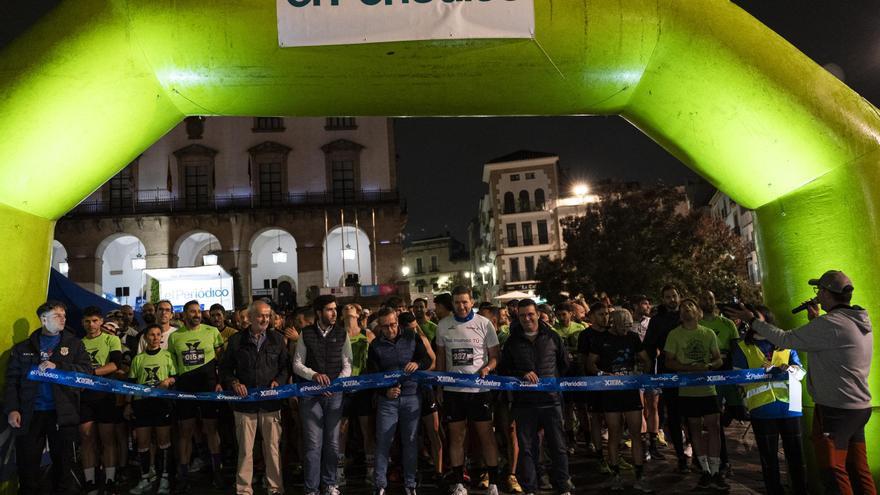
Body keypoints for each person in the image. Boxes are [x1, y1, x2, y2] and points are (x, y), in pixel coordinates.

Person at [726, 270, 875, 495]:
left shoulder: (830, 324)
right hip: (858, 406)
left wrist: (751, 320)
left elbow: (785, 339)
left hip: (835, 409)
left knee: (834, 471)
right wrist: (815, 321)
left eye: (819, 290)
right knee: (858, 468)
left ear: (826, 293)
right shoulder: (857, 319)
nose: (817, 295)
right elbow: (835, 344)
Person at [4, 301, 91, 495]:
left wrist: (58, 367)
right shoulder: (22, 348)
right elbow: (12, 382)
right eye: (57, 316)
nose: (63, 319)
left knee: (63, 466)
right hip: (29, 414)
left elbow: (87, 372)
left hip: (62, 414)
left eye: (64, 316)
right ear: (44, 319)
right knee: (27, 468)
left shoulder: (75, 344)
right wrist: (12, 409)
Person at [500, 299, 573, 495]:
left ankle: (563, 487)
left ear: (538, 314)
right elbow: (504, 368)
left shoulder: (552, 337)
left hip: (551, 401)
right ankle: (530, 488)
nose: (527, 318)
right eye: (522, 315)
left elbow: (564, 364)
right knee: (526, 449)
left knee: (558, 447)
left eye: (530, 314)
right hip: (524, 403)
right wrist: (521, 373)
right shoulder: (512, 341)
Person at [731, 306, 806, 495]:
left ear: (768, 319)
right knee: (768, 459)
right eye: (750, 318)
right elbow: (738, 378)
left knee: (795, 457)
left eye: (756, 316)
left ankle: (801, 491)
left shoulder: (786, 343)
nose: (752, 320)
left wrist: (787, 368)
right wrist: (762, 373)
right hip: (762, 409)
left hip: (790, 407)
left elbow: (800, 372)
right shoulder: (742, 346)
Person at [436, 286, 502, 495]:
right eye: (457, 302)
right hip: (453, 391)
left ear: (472, 302)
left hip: (479, 390)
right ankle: (459, 483)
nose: (461, 306)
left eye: (465, 302)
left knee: (486, 436)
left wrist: (488, 368)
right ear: (452, 304)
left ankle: (493, 483)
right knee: (456, 437)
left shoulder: (484, 324)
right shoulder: (443, 325)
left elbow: (495, 356)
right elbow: (440, 360)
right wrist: (440, 386)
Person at [221, 300, 290, 495]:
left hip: (271, 403)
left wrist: (279, 381)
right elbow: (225, 369)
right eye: (261, 315)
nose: (265, 319)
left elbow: (286, 367)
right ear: (250, 317)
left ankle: (275, 488)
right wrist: (234, 383)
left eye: (268, 316)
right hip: (245, 405)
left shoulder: (277, 339)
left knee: (272, 450)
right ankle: (244, 490)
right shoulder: (236, 341)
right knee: (245, 451)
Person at [366, 308, 433, 495]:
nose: (390, 329)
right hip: (387, 400)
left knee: (411, 441)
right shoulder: (375, 345)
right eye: (385, 326)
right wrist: (385, 391)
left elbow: (428, 359)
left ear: (398, 322)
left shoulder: (412, 336)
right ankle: (379, 484)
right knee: (383, 441)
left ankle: (410, 483)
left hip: (412, 396)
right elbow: (372, 374)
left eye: (393, 324)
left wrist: (418, 364)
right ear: (379, 326)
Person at [586, 308, 654, 493]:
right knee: (614, 434)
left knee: (636, 435)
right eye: (623, 326)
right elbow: (590, 363)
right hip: (610, 392)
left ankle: (640, 475)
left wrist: (641, 374)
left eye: (628, 326)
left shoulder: (632, 337)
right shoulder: (601, 339)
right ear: (614, 323)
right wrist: (603, 374)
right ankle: (615, 476)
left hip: (630, 391)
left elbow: (646, 359)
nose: (626, 330)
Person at [664, 298, 728, 491]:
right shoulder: (674, 335)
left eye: (691, 305)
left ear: (698, 311)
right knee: (694, 429)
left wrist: (707, 366)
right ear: (680, 314)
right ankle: (705, 472)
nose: (687, 309)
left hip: (708, 389)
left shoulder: (708, 333)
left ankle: (716, 471)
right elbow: (668, 361)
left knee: (714, 427)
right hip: (687, 390)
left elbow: (718, 359)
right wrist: (687, 369)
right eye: (683, 307)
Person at [293, 294, 353, 495]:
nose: (334, 313)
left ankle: (329, 484)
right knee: (313, 443)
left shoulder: (342, 333)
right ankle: (311, 488)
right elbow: (297, 364)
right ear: (319, 313)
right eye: (329, 309)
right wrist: (314, 375)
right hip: (310, 395)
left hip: (334, 396)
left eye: (335, 308)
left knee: (333, 443)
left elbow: (348, 365)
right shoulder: (306, 333)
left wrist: (335, 385)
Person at [167, 299, 226, 491]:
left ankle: (217, 472)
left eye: (198, 311)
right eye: (192, 312)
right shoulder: (175, 337)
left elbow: (222, 360)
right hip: (185, 388)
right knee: (186, 432)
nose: (196, 315)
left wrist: (219, 382)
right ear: (184, 315)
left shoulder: (212, 332)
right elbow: (172, 364)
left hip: (208, 387)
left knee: (211, 429)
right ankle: (183, 477)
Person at [126, 324, 177, 495]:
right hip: (142, 404)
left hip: (162, 404)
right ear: (145, 338)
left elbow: (175, 376)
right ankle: (146, 477)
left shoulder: (168, 356)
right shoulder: (138, 359)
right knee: (143, 443)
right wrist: (128, 404)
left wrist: (169, 381)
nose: (155, 338)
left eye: (158, 335)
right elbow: (131, 385)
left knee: (164, 442)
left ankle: (164, 479)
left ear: (161, 337)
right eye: (151, 335)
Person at [79, 306, 124, 495]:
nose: (91, 325)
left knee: (108, 440)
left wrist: (91, 373)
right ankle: (90, 483)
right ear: (83, 323)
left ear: (101, 322)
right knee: (87, 440)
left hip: (105, 396)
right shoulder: (77, 343)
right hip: (84, 397)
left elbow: (115, 365)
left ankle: (110, 480)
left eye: (95, 321)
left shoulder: (111, 339)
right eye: (88, 321)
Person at [643, 285, 687, 471]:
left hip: (691, 371)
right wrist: (652, 372)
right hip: (668, 371)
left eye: (674, 296)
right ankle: (680, 455)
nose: (672, 299)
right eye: (667, 297)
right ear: (663, 299)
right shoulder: (657, 320)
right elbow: (649, 347)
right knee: (674, 415)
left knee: (692, 415)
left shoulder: (687, 315)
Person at [337, 303, 376, 487]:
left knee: (366, 429)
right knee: (341, 431)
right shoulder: (337, 335)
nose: (348, 309)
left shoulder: (367, 335)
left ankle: (371, 470)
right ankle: (339, 471)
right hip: (343, 389)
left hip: (362, 389)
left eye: (352, 307)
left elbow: (376, 361)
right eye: (345, 307)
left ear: (358, 313)